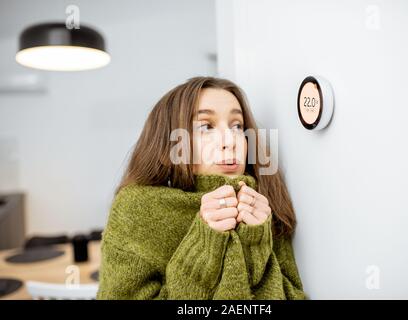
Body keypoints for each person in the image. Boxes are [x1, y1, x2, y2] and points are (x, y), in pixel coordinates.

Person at [96, 76, 306, 299]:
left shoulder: (264, 203)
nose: (230, 140)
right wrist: (202, 247)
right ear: (171, 144)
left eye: (237, 126)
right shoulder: (134, 210)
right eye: (206, 126)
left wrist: (255, 248)